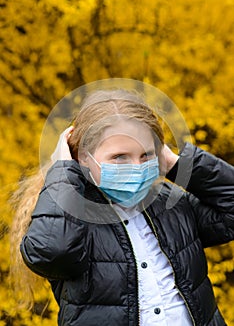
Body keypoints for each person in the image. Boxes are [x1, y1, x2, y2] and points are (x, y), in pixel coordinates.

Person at [13, 89, 234, 326]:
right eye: (120, 156)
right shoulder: (70, 215)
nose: (137, 167)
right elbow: (53, 253)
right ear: (84, 157)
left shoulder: (171, 204)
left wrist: (175, 164)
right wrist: (64, 173)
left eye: (146, 155)